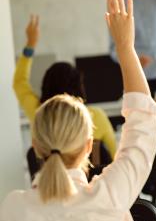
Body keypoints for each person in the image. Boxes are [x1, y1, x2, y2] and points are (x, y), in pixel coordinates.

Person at [1, 0, 156, 221]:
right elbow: (142, 127)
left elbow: (19, 83)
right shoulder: (109, 196)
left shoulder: (13, 208)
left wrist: (30, 45)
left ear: (36, 144)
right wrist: (125, 46)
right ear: (88, 145)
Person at [13, 15, 117, 158]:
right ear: (79, 87)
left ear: (45, 86)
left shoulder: (38, 114)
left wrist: (30, 44)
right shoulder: (96, 117)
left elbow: (19, 82)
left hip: (50, 180)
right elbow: (115, 156)